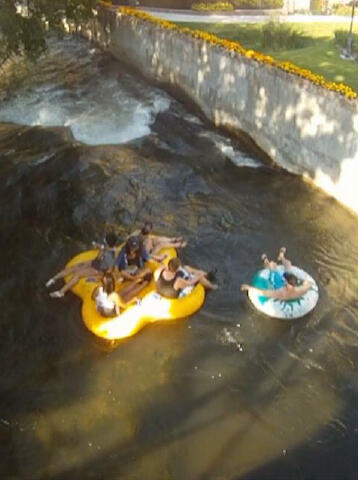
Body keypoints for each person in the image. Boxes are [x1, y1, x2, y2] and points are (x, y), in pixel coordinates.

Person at [46, 232, 119, 298]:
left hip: (98, 269)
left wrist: (98, 277)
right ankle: (54, 279)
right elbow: (102, 249)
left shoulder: (110, 256)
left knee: (77, 274)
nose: (104, 242)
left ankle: (61, 292)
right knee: (75, 267)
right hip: (95, 262)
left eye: (105, 241)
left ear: (108, 244)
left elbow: (109, 270)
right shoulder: (108, 248)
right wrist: (97, 245)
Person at [241, 247, 312, 301]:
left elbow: (264, 292)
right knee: (288, 264)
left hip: (278, 285)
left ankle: (265, 260)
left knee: (272, 265)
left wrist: (248, 287)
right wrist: (304, 281)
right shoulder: (300, 290)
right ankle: (281, 257)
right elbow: (309, 284)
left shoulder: (282, 293)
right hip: (290, 286)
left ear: (286, 282)